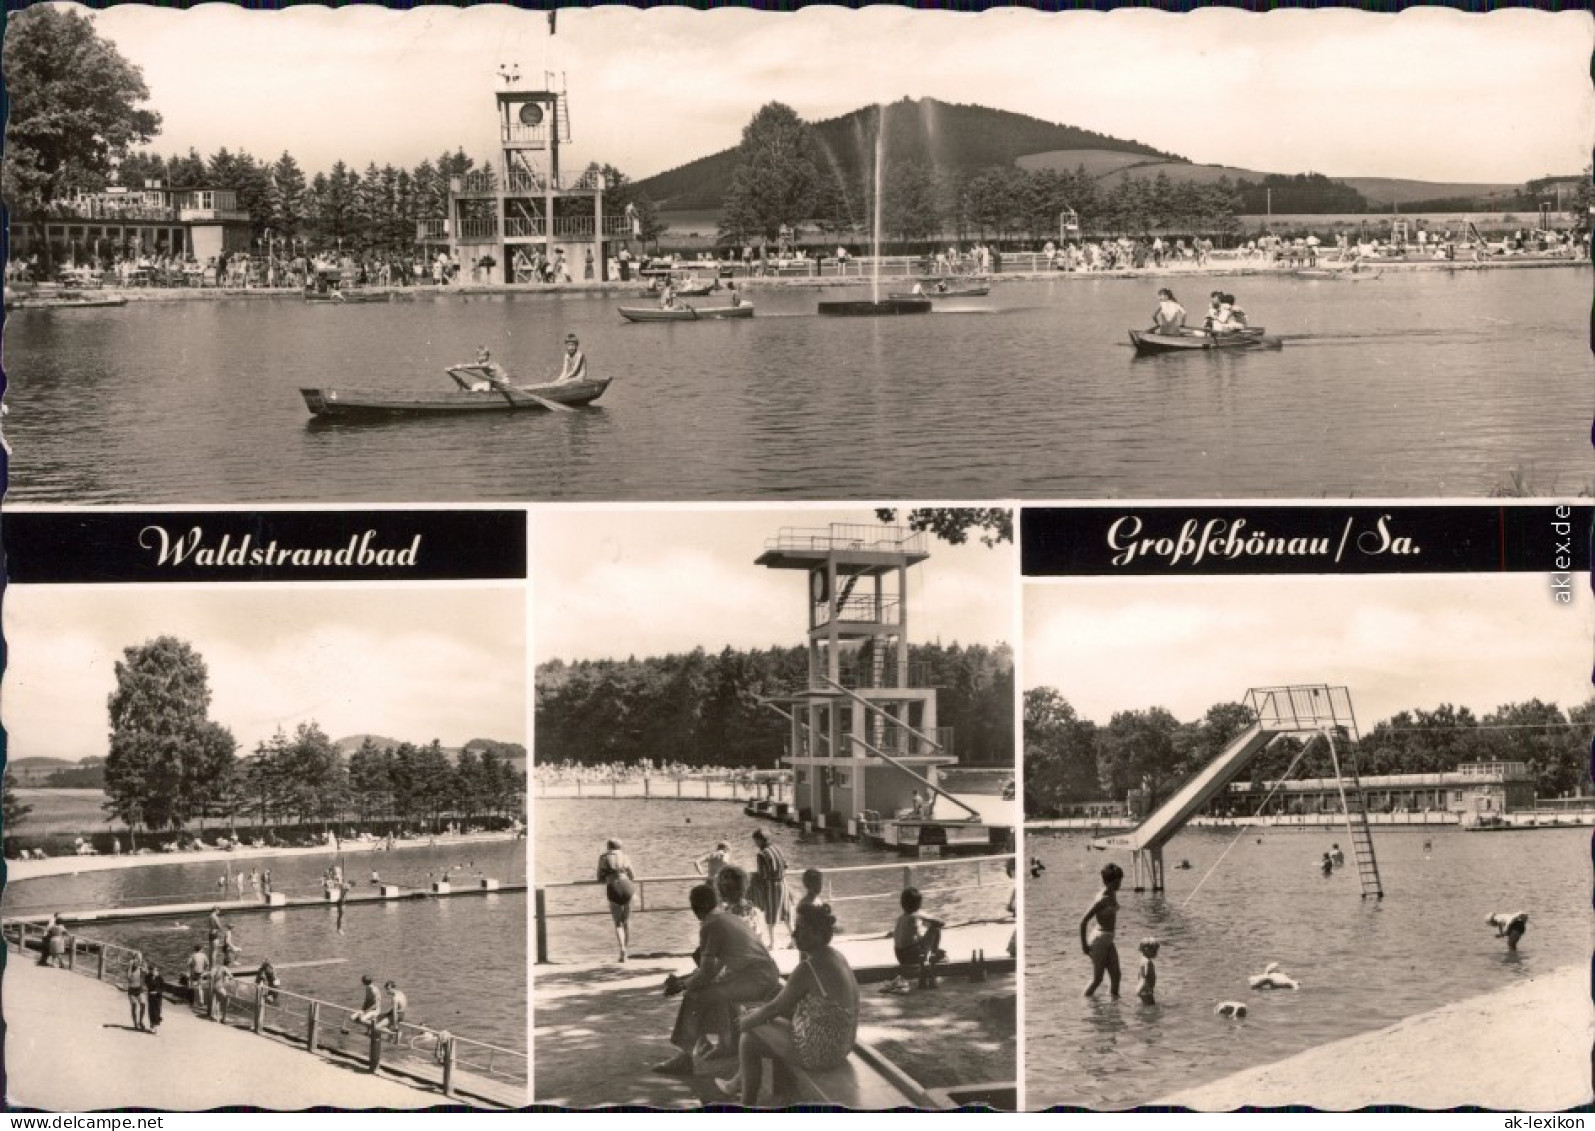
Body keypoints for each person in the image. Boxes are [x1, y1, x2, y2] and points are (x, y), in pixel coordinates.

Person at [716, 902, 859, 1105]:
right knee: (752, 1034)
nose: (794, 934)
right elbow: (791, 1004)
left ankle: (746, 1102)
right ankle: (741, 1092)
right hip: (842, 1045)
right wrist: (756, 1015)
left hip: (822, 1052)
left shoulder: (809, 968)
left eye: (801, 929)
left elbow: (774, 1008)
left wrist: (746, 1021)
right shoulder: (836, 956)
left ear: (818, 933)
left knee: (749, 1032)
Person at [654, 884, 781, 1076]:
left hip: (757, 979)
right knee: (713, 989)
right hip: (765, 974)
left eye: (693, 906)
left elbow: (706, 973)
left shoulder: (710, 925)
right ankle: (726, 1044)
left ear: (698, 907)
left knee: (695, 994)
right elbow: (714, 970)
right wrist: (684, 979)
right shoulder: (727, 917)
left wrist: (682, 985)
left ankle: (685, 1056)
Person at [882, 887, 945, 995]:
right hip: (912, 956)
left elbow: (910, 933)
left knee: (920, 934)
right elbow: (940, 923)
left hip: (900, 956)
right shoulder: (917, 914)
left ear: (902, 904)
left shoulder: (900, 918)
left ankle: (931, 952)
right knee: (935, 928)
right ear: (919, 904)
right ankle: (933, 954)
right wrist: (927, 919)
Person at [1080, 862, 1123, 998]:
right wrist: (1084, 946)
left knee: (1116, 976)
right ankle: (1084, 1005)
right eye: (1115, 882)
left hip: (1108, 939)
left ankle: (1114, 1010)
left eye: (1119, 881)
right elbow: (1083, 921)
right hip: (1099, 940)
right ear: (1107, 881)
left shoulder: (1112, 893)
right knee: (1097, 979)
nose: (1118, 885)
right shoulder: (1102, 899)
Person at [597, 838, 637, 962]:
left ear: (608, 847)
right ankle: (627, 951)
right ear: (620, 847)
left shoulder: (603, 858)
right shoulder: (625, 856)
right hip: (626, 886)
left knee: (618, 923)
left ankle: (622, 949)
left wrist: (608, 876)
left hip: (613, 887)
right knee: (626, 921)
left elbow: (599, 878)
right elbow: (633, 876)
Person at [750, 829, 789, 949]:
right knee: (785, 912)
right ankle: (793, 939)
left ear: (760, 840)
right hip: (783, 883)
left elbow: (763, 875)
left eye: (756, 841)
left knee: (771, 914)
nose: (755, 843)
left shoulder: (762, 854)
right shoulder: (777, 849)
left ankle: (772, 943)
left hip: (772, 885)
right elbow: (786, 865)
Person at [126, 955, 149, 1032]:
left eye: (138, 960)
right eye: (135, 960)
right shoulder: (130, 968)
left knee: (143, 1004)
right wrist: (130, 967)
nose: (136, 962)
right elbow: (128, 977)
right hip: (132, 991)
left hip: (139, 990)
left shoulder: (140, 969)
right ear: (133, 960)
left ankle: (140, 1021)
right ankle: (135, 1023)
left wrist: (145, 966)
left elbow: (147, 973)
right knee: (134, 1005)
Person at [1136, 938, 1160, 1004]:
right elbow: (1144, 976)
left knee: (1146, 1007)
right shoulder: (1147, 962)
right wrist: (1143, 988)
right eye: (1154, 951)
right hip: (1145, 989)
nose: (1156, 953)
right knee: (1151, 1007)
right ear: (1146, 950)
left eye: (1156, 951)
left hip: (1144, 989)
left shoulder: (1143, 960)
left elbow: (1141, 975)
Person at [146, 963, 167, 1032]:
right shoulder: (148, 977)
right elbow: (147, 984)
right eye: (152, 970)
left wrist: (157, 992)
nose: (154, 972)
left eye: (155, 970)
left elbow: (163, 988)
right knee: (151, 1010)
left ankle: (155, 1024)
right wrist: (152, 978)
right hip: (151, 996)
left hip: (158, 997)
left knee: (157, 1010)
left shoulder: (160, 978)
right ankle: (152, 1024)